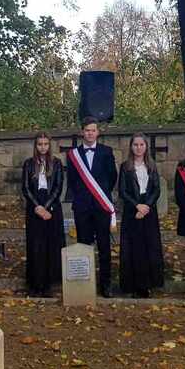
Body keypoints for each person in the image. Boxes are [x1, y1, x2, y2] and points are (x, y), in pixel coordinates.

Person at [66, 116, 118, 297]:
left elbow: (112, 177)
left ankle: (106, 285)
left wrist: (100, 196)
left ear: (98, 132)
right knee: (83, 244)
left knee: (104, 246)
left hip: (101, 205)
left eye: (93, 130)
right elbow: (72, 181)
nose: (90, 133)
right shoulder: (73, 155)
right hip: (82, 207)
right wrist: (83, 197)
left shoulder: (107, 151)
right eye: (87, 130)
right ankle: (85, 282)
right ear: (82, 132)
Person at [119, 133, 165, 298]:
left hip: (148, 210)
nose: (138, 148)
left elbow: (156, 189)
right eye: (135, 145)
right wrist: (137, 206)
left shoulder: (152, 166)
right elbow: (123, 191)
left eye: (141, 145)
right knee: (134, 248)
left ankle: (149, 284)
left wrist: (146, 206)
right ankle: (134, 285)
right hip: (132, 210)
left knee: (149, 247)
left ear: (146, 147)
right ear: (131, 147)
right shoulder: (125, 167)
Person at [21, 132, 65, 297]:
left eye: (46, 144)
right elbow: (25, 188)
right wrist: (38, 207)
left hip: (51, 206)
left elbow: (58, 188)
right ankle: (35, 283)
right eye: (40, 144)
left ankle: (48, 284)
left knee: (50, 244)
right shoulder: (28, 164)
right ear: (35, 145)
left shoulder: (57, 163)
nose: (43, 147)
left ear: (49, 145)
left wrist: (46, 207)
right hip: (34, 207)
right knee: (36, 245)